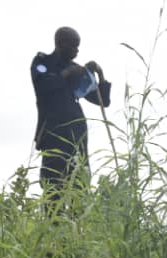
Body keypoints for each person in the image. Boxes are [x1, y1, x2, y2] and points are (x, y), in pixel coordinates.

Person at [30, 27, 112, 208]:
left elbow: (103, 100)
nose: (77, 51)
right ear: (60, 43)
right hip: (53, 133)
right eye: (73, 46)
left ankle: (77, 228)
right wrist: (67, 75)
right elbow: (44, 86)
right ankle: (52, 226)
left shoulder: (76, 69)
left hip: (77, 134)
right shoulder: (43, 62)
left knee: (79, 184)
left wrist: (99, 74)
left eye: (78, 47)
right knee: (53, 185)